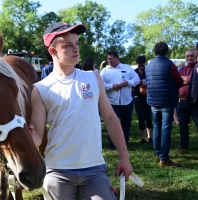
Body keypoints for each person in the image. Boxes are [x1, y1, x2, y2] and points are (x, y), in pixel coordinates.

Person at [29, 22, 133, 200]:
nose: (75, 49)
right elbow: (38, 136)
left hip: (94, 168)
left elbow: (110, 118)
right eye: (68, 45)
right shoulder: (40, 89)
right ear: (53, 51)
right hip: (57, 170)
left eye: (76, 43)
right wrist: (24, 136)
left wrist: (125, 158)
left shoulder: (93, 77)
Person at [145, 42, 183, 166]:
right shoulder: (169, 64)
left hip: (153, 101)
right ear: (166, 52)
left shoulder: (148, 66)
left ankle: (157, 152)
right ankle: (164, 158)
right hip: (167, 100)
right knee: (166, 128)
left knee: (156, 127)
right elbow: (178, 80)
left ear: (154, 52)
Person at [100, 50, 140, 149]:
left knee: (126, 122)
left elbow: (137, 79)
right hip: (112, 101)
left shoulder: (127, 68)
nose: (109, 61)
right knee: (113, 123)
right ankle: (112, 143)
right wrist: (112, 86)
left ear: (117, 58)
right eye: (108, 59)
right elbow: (100, 84)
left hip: (127, 101)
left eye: (111, 59)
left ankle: (125, 140)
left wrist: (128, 82)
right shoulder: (105, 71)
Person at [176, 49, 198, 151]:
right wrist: (190, 79)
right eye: (187, 56)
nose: (189, 58)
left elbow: (190, 79)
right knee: (183, 125)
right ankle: (184, 145)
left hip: (195, 101)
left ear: (196, 56)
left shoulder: (197, 67)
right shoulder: (181, 69)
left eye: (191, 56)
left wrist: (187, 79)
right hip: (183, 101)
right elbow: (178, 80)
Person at [132, 55, 153, 144]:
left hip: (147, 96)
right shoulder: (134, 72)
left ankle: (150, 137)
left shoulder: (148, 72)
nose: (140, 67)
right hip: (137, 97)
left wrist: (146, 83)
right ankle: (143, 138)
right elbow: (131, 82)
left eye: (142, 65)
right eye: (139, 65)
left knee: (148, 117)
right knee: (141, 117)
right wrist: (138, 82)